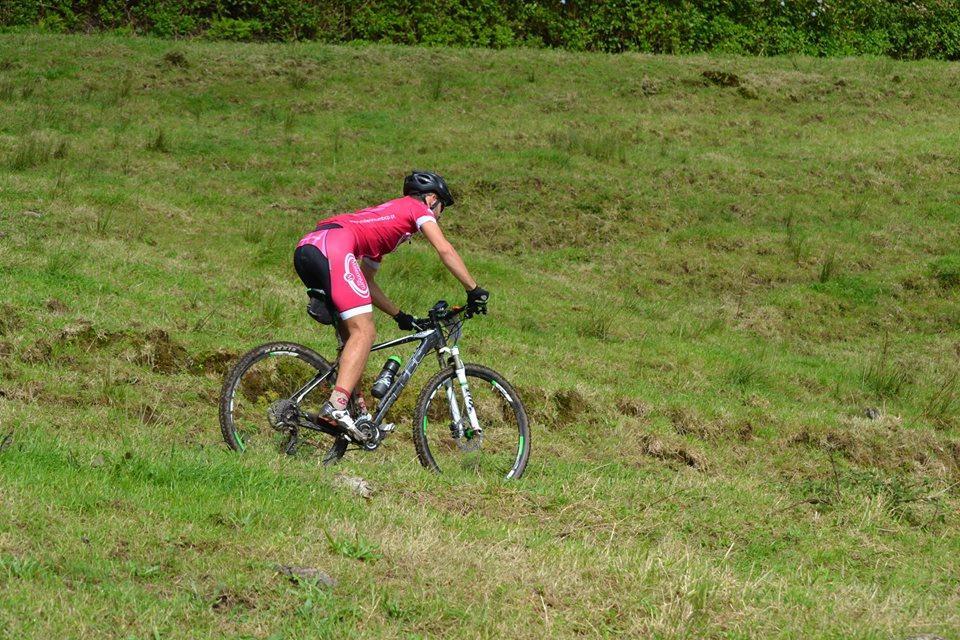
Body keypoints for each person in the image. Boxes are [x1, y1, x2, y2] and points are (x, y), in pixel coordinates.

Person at [293, 170, 489, 440]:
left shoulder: (386, 228)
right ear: (432, 199)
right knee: (366, 332)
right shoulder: (416, 207)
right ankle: (336, 406)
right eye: (441, 207)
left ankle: (355, 410)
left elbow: (367, 281)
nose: (439, 215)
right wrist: (474, 289)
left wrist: (400, 316)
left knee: (352, 337)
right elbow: (444, 249)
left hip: (310, 247)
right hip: (334, 247)